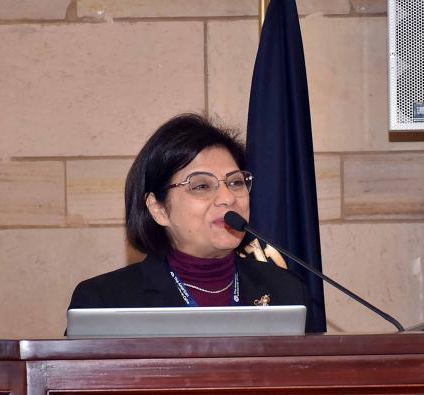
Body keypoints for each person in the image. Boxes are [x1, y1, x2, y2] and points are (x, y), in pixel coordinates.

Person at [68, 113, 319, 332]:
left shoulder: (287, 291)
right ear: (158, 209)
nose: (228, 198)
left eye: (235, 182)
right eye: (201, 186)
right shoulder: (104, 301)